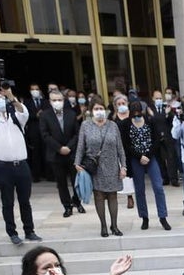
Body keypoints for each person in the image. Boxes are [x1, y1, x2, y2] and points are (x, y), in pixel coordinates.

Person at [0, 77, 38, 245]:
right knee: (7, 202)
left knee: (25, 201)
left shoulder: (17, 117)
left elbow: (23, 111)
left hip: (22, 165)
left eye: (0, 99)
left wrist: (10, 96)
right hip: (3, 166)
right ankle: (12, 232)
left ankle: (29, 230)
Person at [75, 100, 127, 237]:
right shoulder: (86, 125)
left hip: (112, 165)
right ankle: (103, 225)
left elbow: (120, 148)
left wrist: (123, 166)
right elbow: (80, 146)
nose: (99, 111)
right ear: (91, 111)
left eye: (101, 108)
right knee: (99, 195)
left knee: (112, 195)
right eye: (96, 108)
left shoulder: (113, 125)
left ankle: (114, 225)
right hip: (95, 166)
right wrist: (77, 163)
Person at [120, 101, 171, 231]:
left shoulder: (150, 121)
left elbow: (156, 140)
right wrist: (139, 156)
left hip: (151, 157)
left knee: (158, 187)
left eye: (139, 113)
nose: (137, 116)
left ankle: (163, 216)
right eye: (134, 114)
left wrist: (148, 155)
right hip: (136, 159)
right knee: (140, 189)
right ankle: (144, 217)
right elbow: (126, 144)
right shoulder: (126, 124)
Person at [39, 89, 84, 219]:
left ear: (63, 101)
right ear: (50, 101)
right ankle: (67, 206)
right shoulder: (45, 115)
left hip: (71, 153)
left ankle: (77, 201)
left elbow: (77, 133)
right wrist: (59, 148)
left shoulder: (71, 114)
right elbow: (45, 135)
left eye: (59, 100)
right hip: (55, 154)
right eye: (54, 100)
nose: (57, 102)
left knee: (76, 180)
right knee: (61, 182)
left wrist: (69, 147)